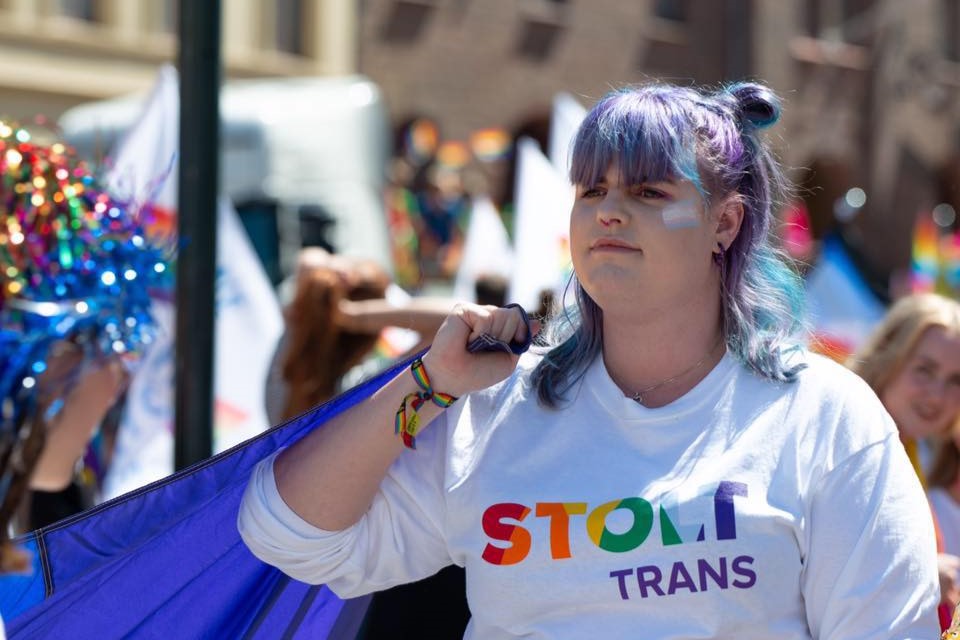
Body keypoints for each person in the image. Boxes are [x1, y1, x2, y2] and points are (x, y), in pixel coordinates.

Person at [239, 81, 939, 638]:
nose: (608, 212)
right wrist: (428, 382)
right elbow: (286, 532)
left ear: (724, 224)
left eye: (647, 192)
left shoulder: (823, 415)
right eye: (592, 190)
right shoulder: (499, 407)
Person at [847, 292, 960, 628]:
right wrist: (923, 574)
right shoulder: (847, 443)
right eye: (924, 370)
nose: (937, 395)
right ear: (886, 357)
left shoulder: (910, 449)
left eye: (956, 380)